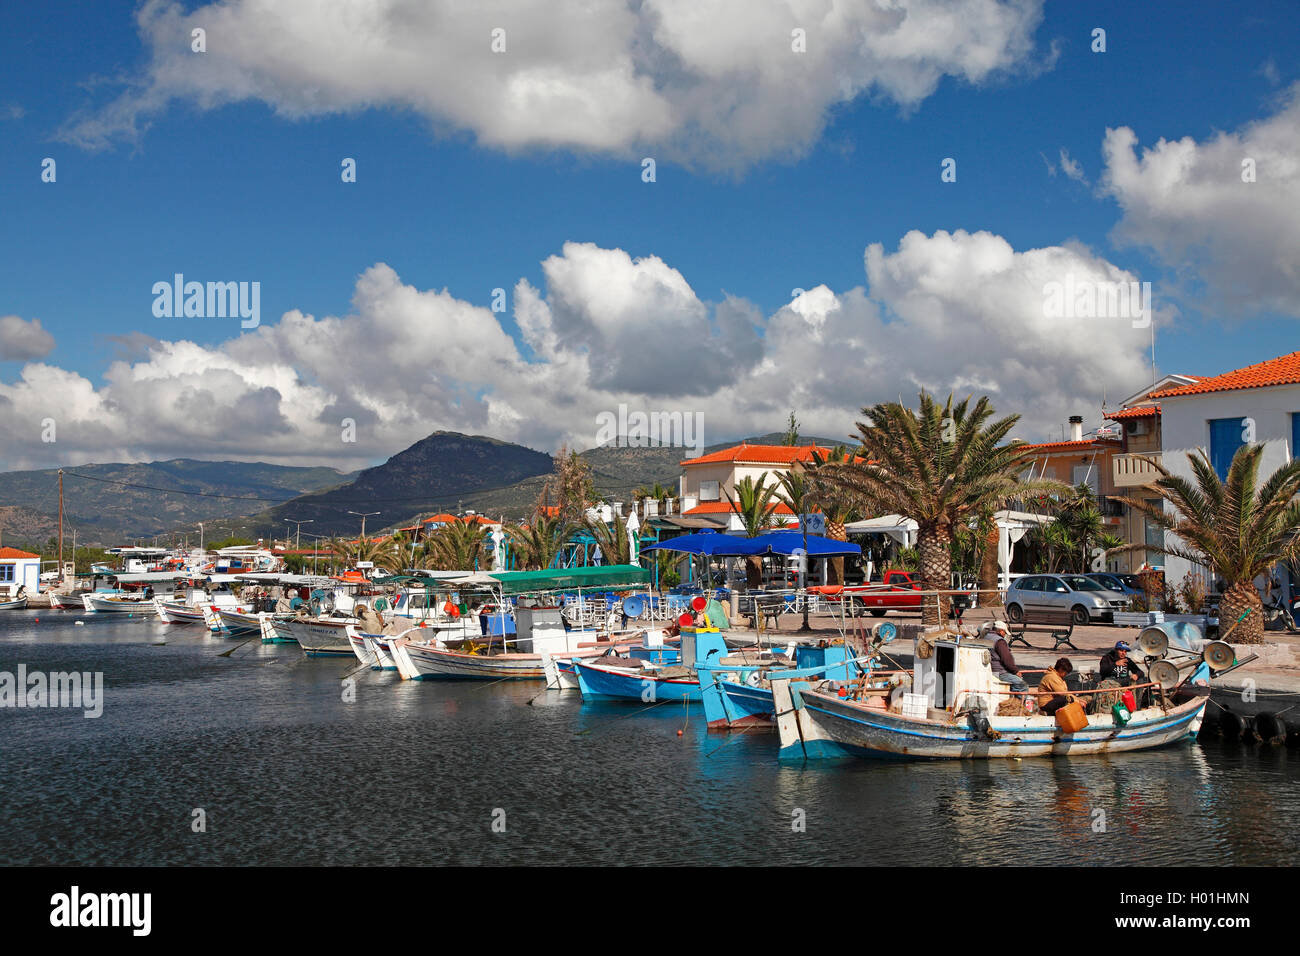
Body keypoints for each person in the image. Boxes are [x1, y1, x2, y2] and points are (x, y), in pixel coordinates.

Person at [983, 620, 1027, 691]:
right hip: (999, 672)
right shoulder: (999, 641)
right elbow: (1007, 659)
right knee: (1022, 686)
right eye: (1004, 633)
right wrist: (1015, 671)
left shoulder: (986, 637)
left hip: (989, 670)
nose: (1004, 635)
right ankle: (1018, 702)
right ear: (1001, 631)